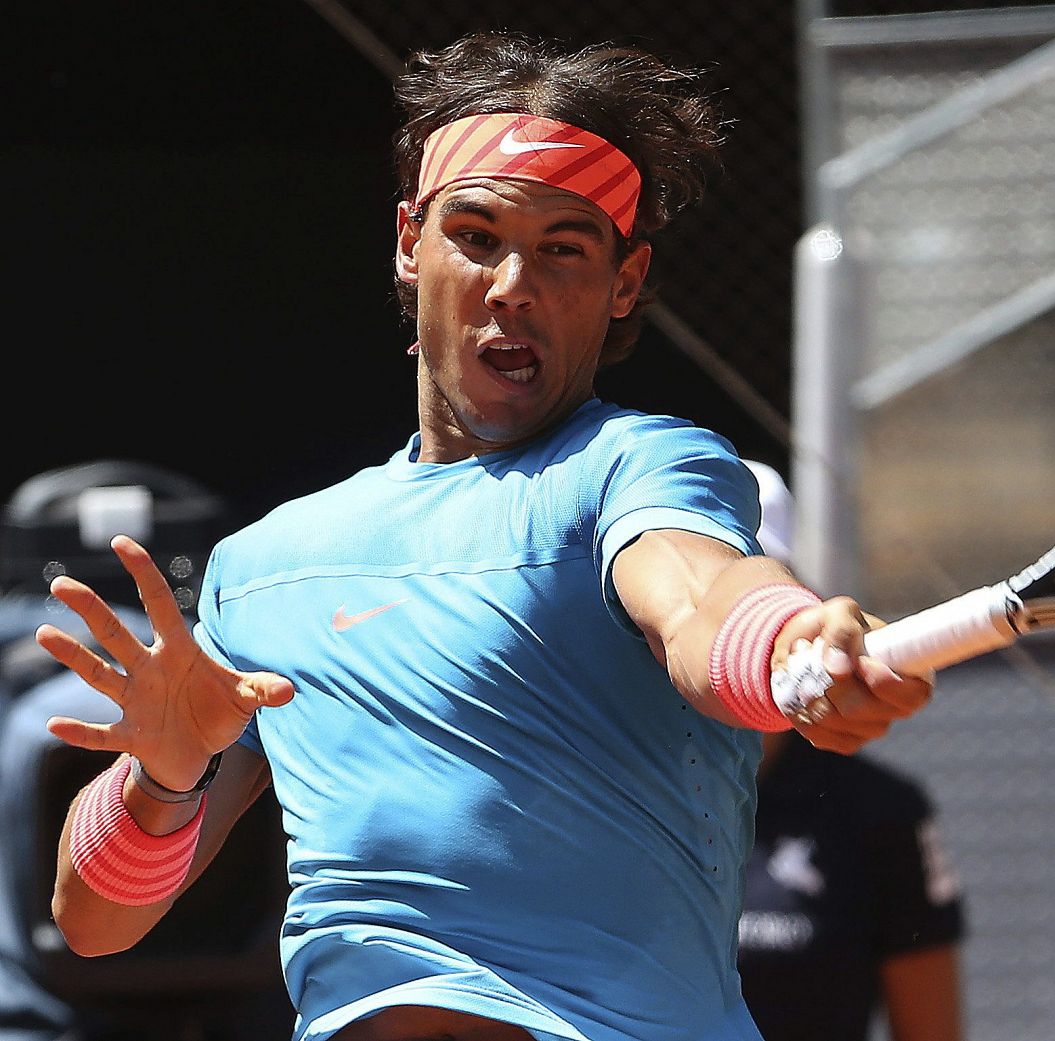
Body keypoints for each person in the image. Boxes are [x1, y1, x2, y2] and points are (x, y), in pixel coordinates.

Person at [32, 32, 933, 1041]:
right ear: (410, 243)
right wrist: (163, 779)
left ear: (624, 283)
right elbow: (96, 923)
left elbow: (697, 600)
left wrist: (787, 646)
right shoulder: (262, 568)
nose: (513, 284)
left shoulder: (642, 466)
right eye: (477, 235)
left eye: (563, 248)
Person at [735, 460, 966, 1041]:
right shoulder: (585, 795)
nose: (732, 631)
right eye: (710, 603)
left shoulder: (881, 812)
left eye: (756, 600)